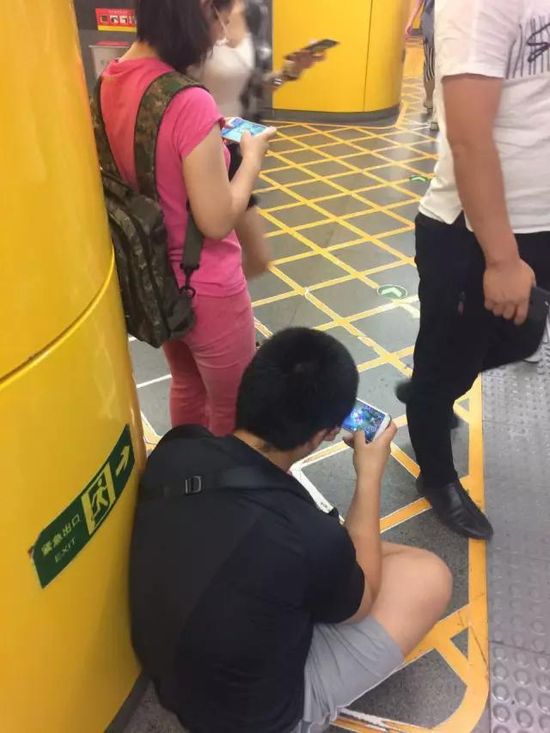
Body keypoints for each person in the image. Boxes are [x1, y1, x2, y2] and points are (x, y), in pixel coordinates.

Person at [130, 328, 452, 733]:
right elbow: (364, 602)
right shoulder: (306, 534)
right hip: (250, 720)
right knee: (429, 575)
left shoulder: (178, 447)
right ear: (324, 434)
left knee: (348, 557)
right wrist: (369, 474)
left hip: (170, 668)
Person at [399, 0, 550, 540]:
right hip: (477, 233)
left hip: (539, 223)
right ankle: (436, 474)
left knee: (522, 336)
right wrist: (502, 259)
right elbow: (468, 138)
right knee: (446, 364)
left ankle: (431, 387)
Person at [98, 0, 275, 435]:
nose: (221, 34)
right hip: (208, 286)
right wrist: (251, 158)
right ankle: (224, 477)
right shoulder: (189, 100)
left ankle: (189, 464)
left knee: (187, 384)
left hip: (156, 280)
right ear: (199, 7)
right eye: (220, 19)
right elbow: (216, 220)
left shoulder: (109, 79)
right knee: (235, 408)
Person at [192, 0, 321, 279]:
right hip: (198, 147)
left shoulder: (254, 12)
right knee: (221, 251)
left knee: (254, 259)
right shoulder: (195, 11)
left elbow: (260, 86)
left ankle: (217, 297)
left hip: (237, 145)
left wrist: (292, 70)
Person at [406, 0, 438, 131]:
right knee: (434, 64)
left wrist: (410, 21)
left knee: (434, 65)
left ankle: (434, 107)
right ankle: (431, 102)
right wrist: (410, 21)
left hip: (441, 24)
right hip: (436, 23)